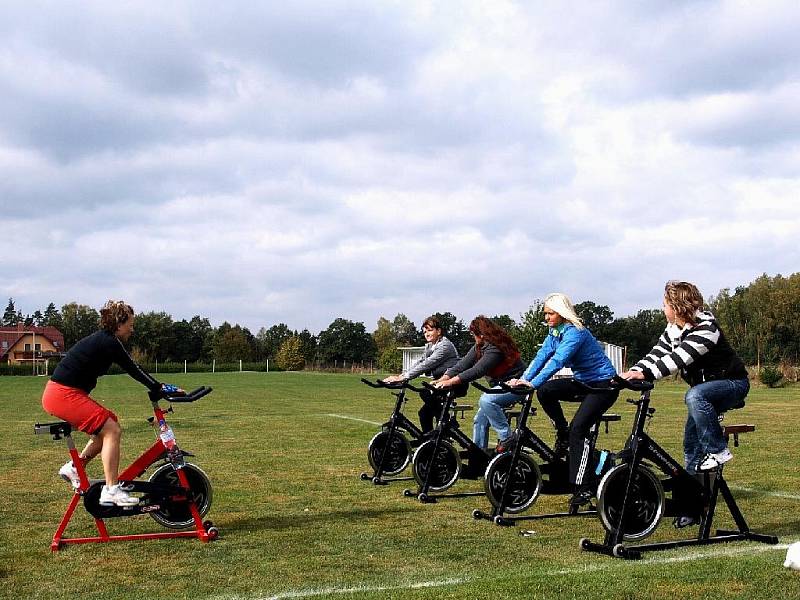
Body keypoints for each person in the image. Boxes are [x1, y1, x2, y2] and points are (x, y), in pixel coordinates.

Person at [41, 300, 179, 507]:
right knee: (112, 430)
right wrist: (160, 387)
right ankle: (111, 490)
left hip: (62, 393)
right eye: (130, 325)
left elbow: (133, 368)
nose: (132, 329)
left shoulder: (105, 340)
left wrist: (160, 387)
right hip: (63, 394)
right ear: (118, 323)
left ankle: (75, 468)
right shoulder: (109, 342)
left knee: (109, 424)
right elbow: (133, 368)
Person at [620, 281, 749, 475]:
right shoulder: (673, 330)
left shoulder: (706, 328)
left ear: (677, 307)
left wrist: (646, 374)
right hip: (707, 389)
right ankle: (692, 491)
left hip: (733, 384)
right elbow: (657, 354)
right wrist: (631, 372)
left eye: (665, 305)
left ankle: (718, 451)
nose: (663, 309)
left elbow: (678, 359)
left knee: (694, 396)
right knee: (691, 442)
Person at [507, 293, 618, 508]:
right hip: (584, 382)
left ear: (562, 313)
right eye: (545, 314)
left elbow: (558, 361)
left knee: (579, 429)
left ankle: (582, 488)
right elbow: (541, 356)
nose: (546, 317)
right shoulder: (555, 332)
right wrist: (523, 380)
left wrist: (533, 383)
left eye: (550, 313)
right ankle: (562, 433)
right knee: (546, 391)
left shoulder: (576, 333)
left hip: (603, 386)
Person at [434, 315, 524, 451]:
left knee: (487, 401)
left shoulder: (495, 348)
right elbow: (462, 365)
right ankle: (478, 458)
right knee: (479, 420)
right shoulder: (479, 347)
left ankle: (508, 440)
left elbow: (478, 370)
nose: (472, 337)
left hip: (517, 386)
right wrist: (443, 379)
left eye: (473, 334)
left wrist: (451, 382)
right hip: (501, 386)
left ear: (481, 334)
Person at [383, 315, 461, 433]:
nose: (426, 334)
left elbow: (427, 364)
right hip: (439, 383)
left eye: (430, 330)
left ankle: (447, 422)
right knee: (424, 414)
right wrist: (401, 376)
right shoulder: (430, 346)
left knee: (425, 393)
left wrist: (403, 377)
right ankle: (429, 442)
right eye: (424, 332)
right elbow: (420, 362)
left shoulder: (444, 346)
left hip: (454, 382)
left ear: (438, 331)